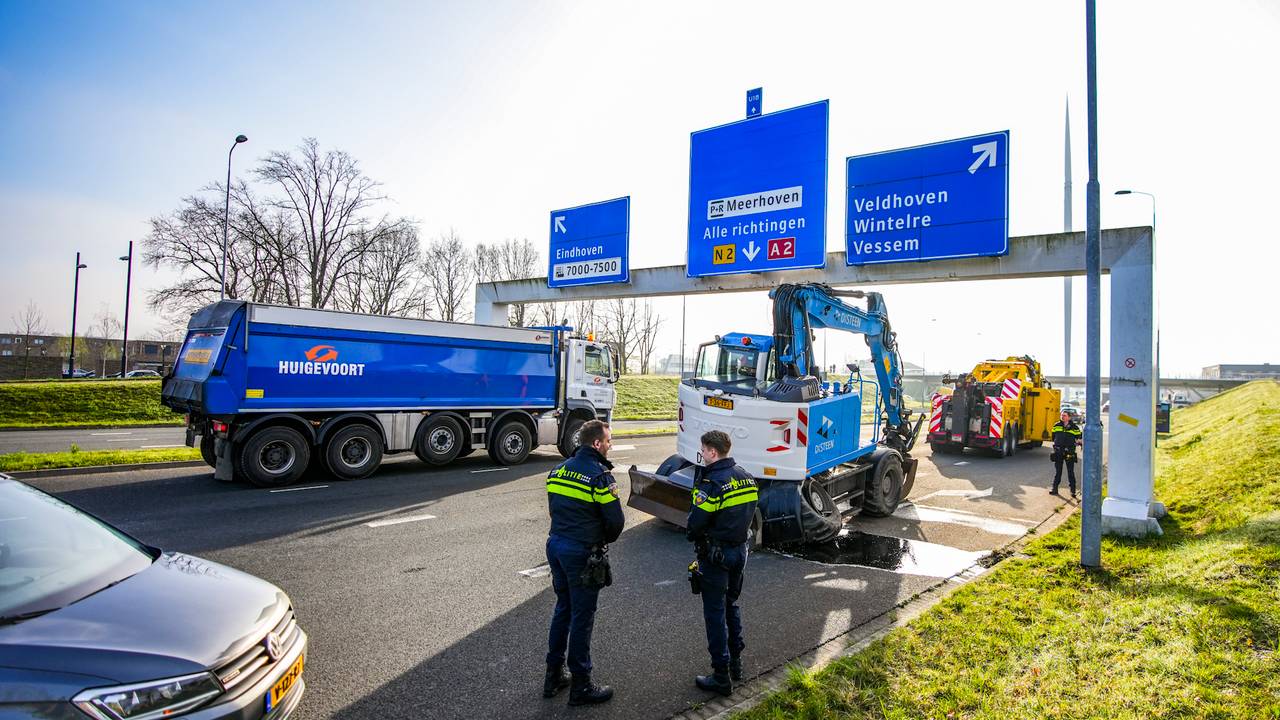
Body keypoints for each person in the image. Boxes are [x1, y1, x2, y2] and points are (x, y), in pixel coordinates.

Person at [542, 419, 624, 706]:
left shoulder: (558, 470)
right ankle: (581, 685)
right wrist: (597, 539)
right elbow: (615, 523)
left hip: (556, 546)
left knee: (563, 608)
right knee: (582, 617)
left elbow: (555, 509)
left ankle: (553, 675)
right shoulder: (600, 476)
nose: (610, 445)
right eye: (609, 441)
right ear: (597, 444)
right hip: (581, 553)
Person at [686, 430, 759, 697]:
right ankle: (736, 665)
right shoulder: (746, 477)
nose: (702, 454)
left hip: (716, 556)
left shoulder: (712, 483)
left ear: (713, 452)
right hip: (740, 552)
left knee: (715, 613)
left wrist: (694, 533)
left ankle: (720, 676)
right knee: (732, 605)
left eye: (703, 450)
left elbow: (695, 523)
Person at [1050, 410, 1083, 498]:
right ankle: (1054, 489)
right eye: (1062, 415)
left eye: (1064, 415)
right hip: (1058, 451)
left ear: (1069, 417)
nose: (1062, 417)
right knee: (1058, 471)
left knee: (1070, 472)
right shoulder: (1056, 425)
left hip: (1069, 451)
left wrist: (1078, 442)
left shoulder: (1075, 427)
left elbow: (1079, 438)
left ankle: (1073, 491)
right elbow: (1053, 437)